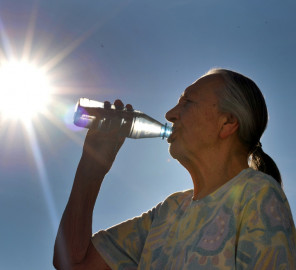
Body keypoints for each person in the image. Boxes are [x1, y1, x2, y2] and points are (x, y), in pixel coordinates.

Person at [53, 68, 296, 269]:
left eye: (187, 102)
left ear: (228, 122)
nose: (170, 115)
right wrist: (91, 169)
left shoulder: (257, 194)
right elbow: (72, 264)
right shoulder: (167, 212)